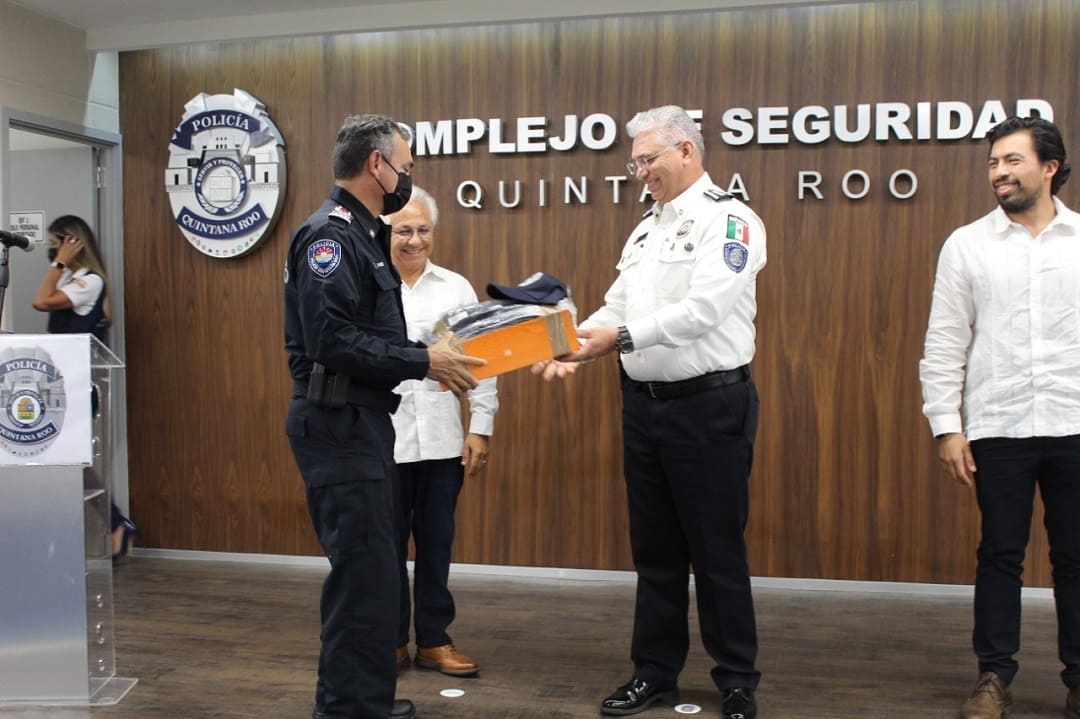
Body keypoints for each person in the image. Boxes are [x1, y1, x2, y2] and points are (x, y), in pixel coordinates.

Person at [535, 105, 766, 719]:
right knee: (655, 552)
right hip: (643, 406)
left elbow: (705, 310)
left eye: (648, 159)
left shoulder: (732, 221)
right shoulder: (644, 229)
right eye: (634, 162)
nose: (639, 172)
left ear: (686, 151)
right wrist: (573, 344)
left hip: (710, 407)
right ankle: (654, 673)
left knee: (716, 550)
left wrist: (619, 338)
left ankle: (737, 679)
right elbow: (615, 305)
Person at [284, 114, 483, 719]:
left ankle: (365, 701)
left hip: (362, 422)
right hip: (338, 423)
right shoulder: (331, 236)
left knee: (372, 577)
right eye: (406, 167)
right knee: (361, 577)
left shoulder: (362, 236)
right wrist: (423, 359)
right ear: (378, 165)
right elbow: (331, 338)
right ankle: (347, 710)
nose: (407, 177)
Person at [920, 116, 1080, 719]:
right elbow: (943, 342)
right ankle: (993, 677)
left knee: (1075, 557)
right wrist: (946, 424)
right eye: (993, 163)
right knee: (1000, 556)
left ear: (1050, 167)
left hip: (1074, 422)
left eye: (1012, 161)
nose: (999, 173)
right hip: (999, 425)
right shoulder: (967, 244)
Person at [386, 187, 498, 677]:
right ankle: (389, 641)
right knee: (384, 548)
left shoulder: (455, 287)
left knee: (436, 544)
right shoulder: (368, 286)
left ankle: (434, 640)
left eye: (423, 230)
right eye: (403, 230)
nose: (414, 240)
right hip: (381, 440)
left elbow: (483, 361)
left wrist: (481, 427)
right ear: (384, 232)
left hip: (441, 439)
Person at [31, 214, 139, 562]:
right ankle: (115, 523)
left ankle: (116, 523)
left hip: (80, 382)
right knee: (63, 461)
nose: (52, 251)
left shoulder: (89, 282)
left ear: (72, 242)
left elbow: (41, 301)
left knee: (70, 462)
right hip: (58, 381)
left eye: (56, 243)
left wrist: (61, 262)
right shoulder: (68, 277)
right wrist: (60, 266)